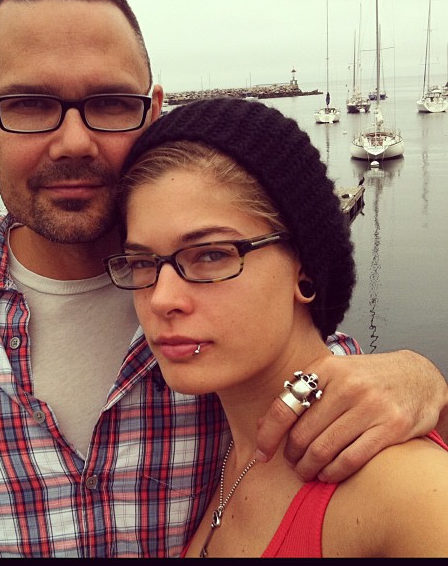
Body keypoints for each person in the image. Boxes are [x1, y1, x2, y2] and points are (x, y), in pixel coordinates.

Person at [0, 0, 448, 559]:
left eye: (110, 102)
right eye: (30, 104)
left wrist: (422, 382)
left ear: (151, 111)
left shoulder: (232, 325)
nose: (73, 142)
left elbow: (333, 377)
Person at [106, 97, 448, 558]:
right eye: (143, 262)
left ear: (304, 269)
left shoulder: (408, 494)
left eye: (212, 254)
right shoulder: (231, 453)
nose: (162, 299)